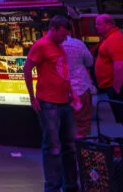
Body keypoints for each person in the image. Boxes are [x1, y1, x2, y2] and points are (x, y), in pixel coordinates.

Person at [23, 15, 78, 192]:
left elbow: (63, 72)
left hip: (64, 102)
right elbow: (27, 69)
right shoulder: (40, 46)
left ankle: (70, 184)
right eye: (62, 34)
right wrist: (32, 97)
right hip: (48, 103)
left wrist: (72, 93)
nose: (65, 38)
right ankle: (52, 186)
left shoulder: (59, 47)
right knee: (53, 146)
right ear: (53, 29)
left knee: (69, 145)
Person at [94, 14, 123, 164]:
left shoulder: (115, 39)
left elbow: (119, 64)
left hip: (121, 86)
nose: (96, 27)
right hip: (116, 86)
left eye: (99, 24)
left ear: (108, 24)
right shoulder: (109, 39)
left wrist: (116, 87)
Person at [60, 32, 95, 139]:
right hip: (80, 87)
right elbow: (89, 62)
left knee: (63, 121)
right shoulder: (78, 44)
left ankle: (67, 147)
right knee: (82, 120)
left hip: (61, 88)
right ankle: (81, 148)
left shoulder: (51, 45)